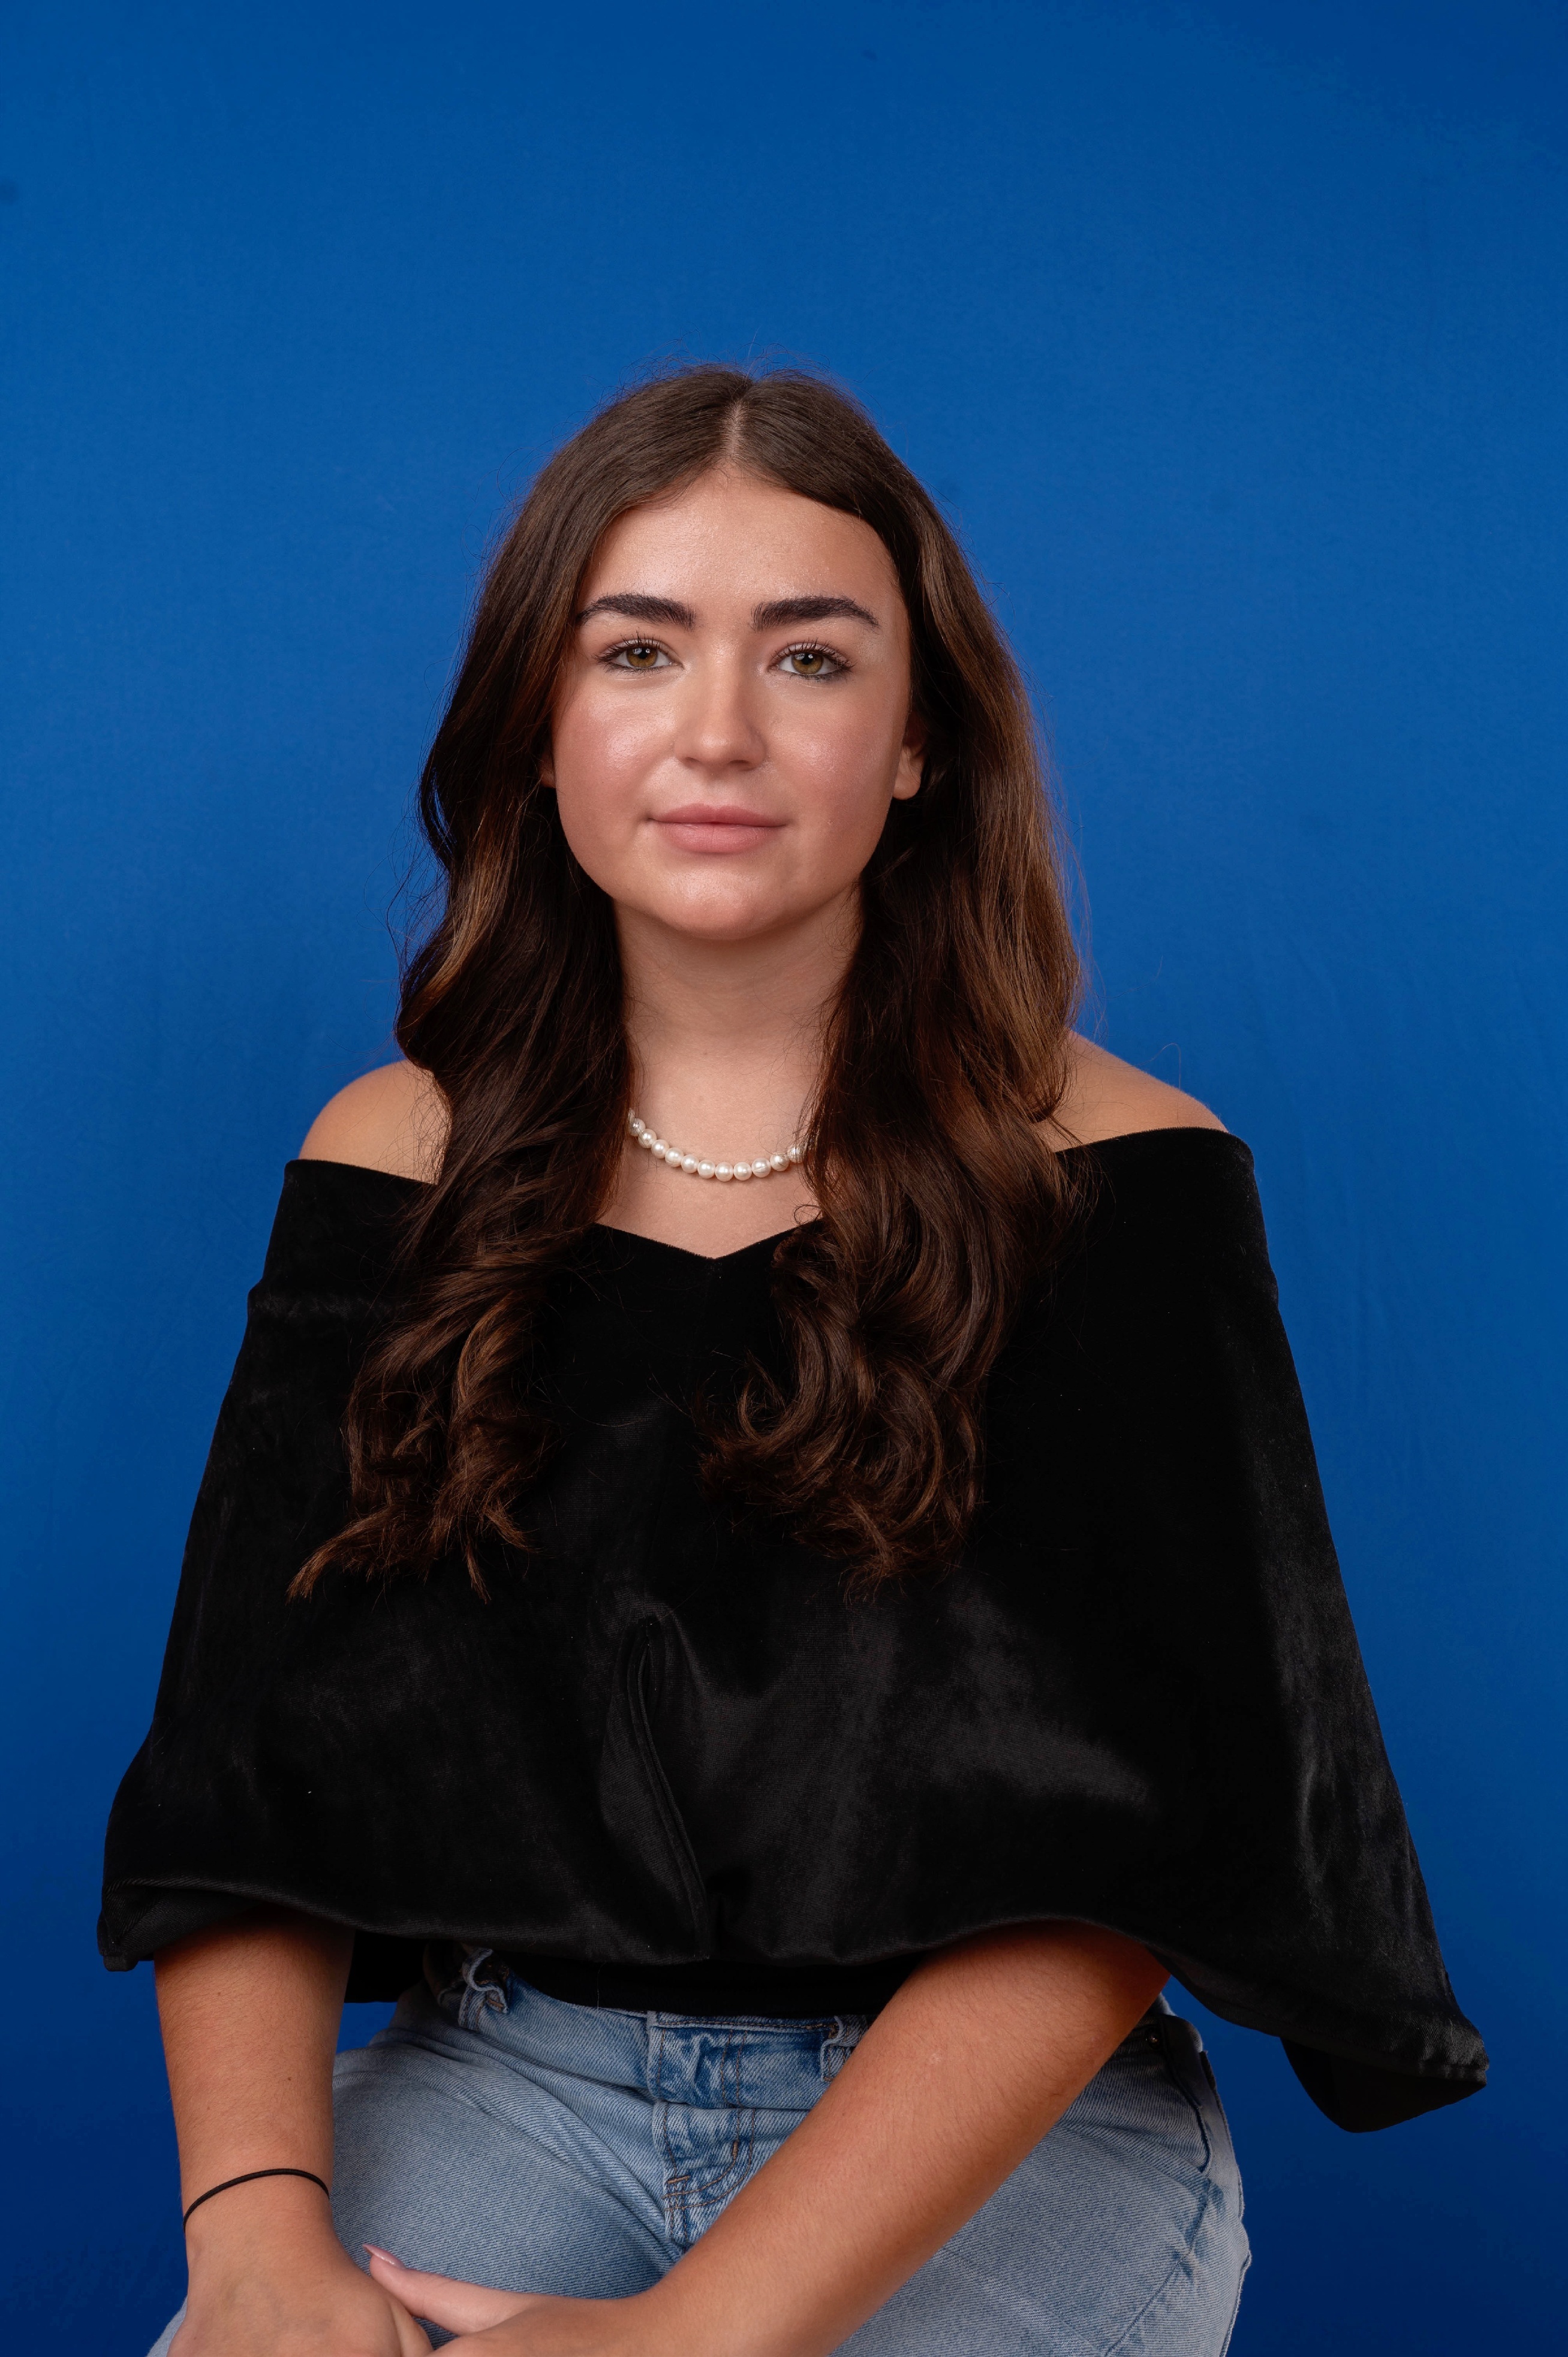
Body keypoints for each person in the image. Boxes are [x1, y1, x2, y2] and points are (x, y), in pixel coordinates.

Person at [102, 366, 1485, 2357]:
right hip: (509, 2076)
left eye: (811, 656)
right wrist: (251, 2234)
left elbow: (1127, 1865)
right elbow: (248, 1783)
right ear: (540, 729)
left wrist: (693, 2335)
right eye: (638, 649)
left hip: (1002, 2133)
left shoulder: (1130, 1182)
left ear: (919, 742)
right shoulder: (392, 1161)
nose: (719, 732)